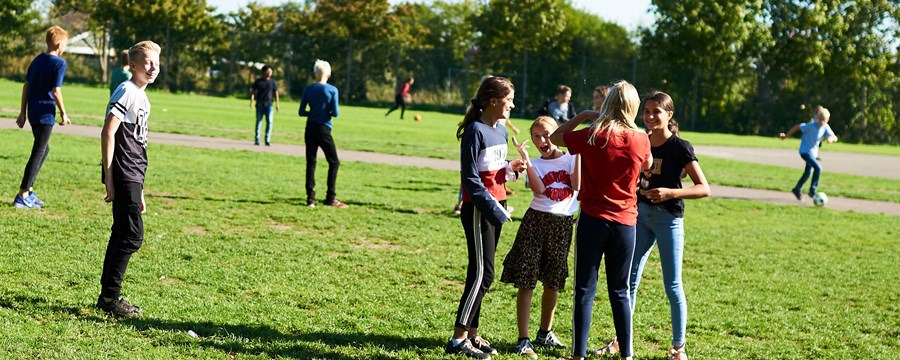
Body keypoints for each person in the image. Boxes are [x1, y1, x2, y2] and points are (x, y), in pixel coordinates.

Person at [595, 91, 710, 360]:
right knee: (627, 281)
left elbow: (704, 188)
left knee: (672, 285)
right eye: (646, 111)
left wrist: (672, 193)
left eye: (656, 112)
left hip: (669, 220)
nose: (649, 117)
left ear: (669, 115)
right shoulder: (640, 140)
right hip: (640, 216)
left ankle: (678, 348)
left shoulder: (680, 147)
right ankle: (620, 341)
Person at [549, 80, 652, 360]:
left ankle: (578, 354)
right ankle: (627, 354)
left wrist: (582, 116)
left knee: (584, 289)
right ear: (633, 106)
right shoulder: (641, 138)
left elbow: (555, 138)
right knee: (620, 291)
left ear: (606, 105)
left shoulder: (592, 134)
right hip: (625, 223)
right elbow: (649, 165)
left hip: (593, 220)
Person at [446, 76, 526, 359]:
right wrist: (493, 207)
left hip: (497, 207)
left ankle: (472, 334)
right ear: (493, 100)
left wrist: (511, 170)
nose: (513, 105)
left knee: (482, 273)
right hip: (480, 210)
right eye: (509, 100)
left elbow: (494, 172)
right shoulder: (475, 130)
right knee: (483, 273)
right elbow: (470, 179)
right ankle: (458, 339)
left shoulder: (499, 131)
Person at [501, 116, 580, 359]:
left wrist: (579, 154)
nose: (542, 140)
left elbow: (577, 185)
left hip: (562, 225)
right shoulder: (534, 162)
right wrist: (527, 162)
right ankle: (523, 340)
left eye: (546, 134)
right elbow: (539, 189)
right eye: (536, 136)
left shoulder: (572, 158)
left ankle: (545, 332)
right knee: (527, 280)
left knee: (553, 281)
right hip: (535, 223)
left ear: (556, 134)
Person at [97, 40, 161, 318]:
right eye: (147, 62)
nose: (153, 67)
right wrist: (109, 176)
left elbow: (137, 143)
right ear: (133, 65)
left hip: (133, 174)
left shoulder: (142, 96)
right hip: (123, 173)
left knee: (122, 232)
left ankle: (108, 297)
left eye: (156, 62)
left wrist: (141, 189)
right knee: (132, 236)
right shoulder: (127, 90)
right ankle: (110, 297)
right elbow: (107, 132)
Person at [12, 26, 71, 209]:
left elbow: (26, 86)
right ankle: (22, 194)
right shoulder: (59, 63)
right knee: (38, 152)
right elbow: (56, 90)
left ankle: (28, 192)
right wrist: (64, 113)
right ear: (60, 44)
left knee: (43, 150)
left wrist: (22, 112)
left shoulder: (37, 60)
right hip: (46, 113)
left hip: (33, 112)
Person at [299, 59, 347, 208]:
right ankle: (330, 197)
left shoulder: (308, 89)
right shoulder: (333, 90)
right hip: (324, 128)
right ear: (330, 74)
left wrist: (313, 112)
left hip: (310, 127)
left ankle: (310, 198)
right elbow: (336, 113)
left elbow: (301, 112)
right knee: (334, 162)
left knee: (311, 162)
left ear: (314, 74)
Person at [778, 105, 838, 200]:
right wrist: (785, 136)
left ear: (828, 120)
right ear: (817, 118)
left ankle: (797, 189)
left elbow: (834, 137)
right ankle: (812, 191)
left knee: (808, 173)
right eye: (820, 119)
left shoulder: (826, 127)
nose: (822, 122)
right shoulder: (811, 126)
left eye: (824, 120)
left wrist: (831, 139)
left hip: (813, 153)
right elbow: (798, 127)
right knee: (818, 168)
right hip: (805, 151)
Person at [250, 64, 280, 146]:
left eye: (271, 71)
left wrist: (277, 104)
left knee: (269, 122)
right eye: (269, 71)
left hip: (269, 105)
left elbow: (276, 93)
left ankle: (267, 140)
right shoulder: (259, 81)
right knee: (258, 122)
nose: (270, 72)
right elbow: (252, 91)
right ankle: (257, 139)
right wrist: (252, 102)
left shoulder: (273, 82)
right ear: (264, 71)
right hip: (260, 104)